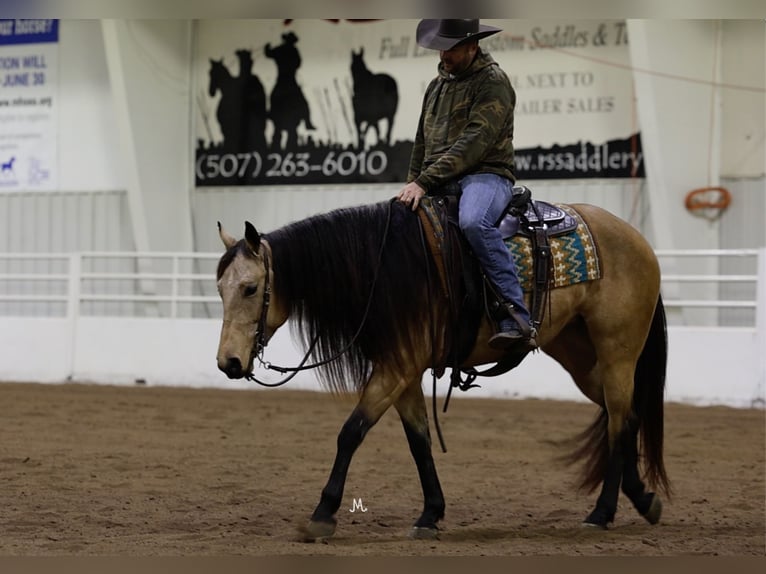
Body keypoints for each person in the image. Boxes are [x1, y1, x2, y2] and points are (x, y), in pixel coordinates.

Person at [397, 19, 535, 351]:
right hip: (439, 178)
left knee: (474, 222)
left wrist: (426, 180)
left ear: (473, 46)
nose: (444, 54)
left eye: (452, 47)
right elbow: (421, 142)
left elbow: (476, 142)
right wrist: (413, 184)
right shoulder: (437, 86)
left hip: (486, 175)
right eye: (441, 46)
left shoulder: (493, 82)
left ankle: (515, 315)